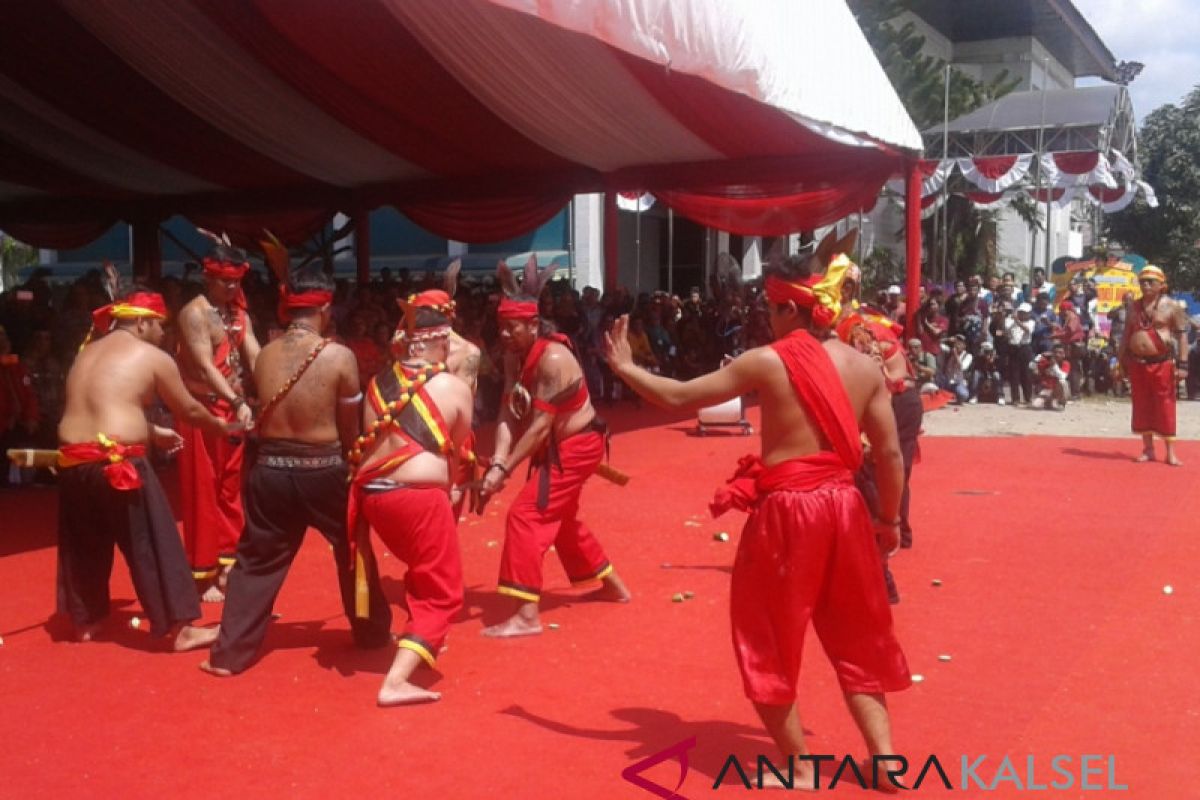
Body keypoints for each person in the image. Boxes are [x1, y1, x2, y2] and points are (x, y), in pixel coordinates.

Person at [605, 243, 910, 789]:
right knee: (859, 632)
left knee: (767, 635)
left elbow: (679, 397)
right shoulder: (865, 366)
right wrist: (888, 520)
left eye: (769, 309)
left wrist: (625, 366)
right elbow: (888, 454)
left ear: (789, 309)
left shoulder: (767, 361)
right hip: (846, 507)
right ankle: (885, 759)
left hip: (789, 512)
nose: (765, 320)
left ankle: (798, 766)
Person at [200, 266, 392, 677]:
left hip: (269, 470)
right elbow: (349, 425)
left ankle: (229, 654)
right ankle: (372, 632)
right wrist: (353, 461)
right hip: (322, 469)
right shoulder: (338, 355)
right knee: (353, 549)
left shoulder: (266, 354)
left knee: (256, 560)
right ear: (324, 308)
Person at [56, 290, 232, 649]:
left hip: (74, 461)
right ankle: (179, 627)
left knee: (84, 544)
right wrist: (226, 429)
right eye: (159, 326)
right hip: (119, 462)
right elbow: (191, 411)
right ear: (140, 323)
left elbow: (94, 408)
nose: (164, 334)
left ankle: (85, 621)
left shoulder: (86, 352)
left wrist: (150, 431)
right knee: (153, 542)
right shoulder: (152, 357)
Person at [479, 262, 631, 638]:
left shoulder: (554, 359)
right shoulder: (516, 356)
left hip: (577, 446)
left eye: (510, 328)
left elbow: (539, 426)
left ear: (532, 325)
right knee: (560, 520)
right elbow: (507, 413)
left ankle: (526, 615)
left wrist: (504, 472)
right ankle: (614, 587)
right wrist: (498, 460)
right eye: (501, 327)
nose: (504, 334)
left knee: (526, 515)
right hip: (559, 446)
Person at [347, 290, 474, 705]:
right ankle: (397, 680)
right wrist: (452, 489)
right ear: (438, 342)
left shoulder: (376, 386)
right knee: (443, 589)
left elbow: (368, 443)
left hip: (374, 500)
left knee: (423, 571)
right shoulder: (453, 387)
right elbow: (456, 451)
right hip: (417, 500)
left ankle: (422, 636)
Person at [176, 238, 261, 600]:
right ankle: (203, 573)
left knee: (229, 488)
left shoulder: (239, 315)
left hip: (233, 409)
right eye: (225, 282)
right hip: (202, 410)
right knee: (203, 490)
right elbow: (205, 366)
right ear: (208, 278)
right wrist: (237, 399)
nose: (231, 288)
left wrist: (276, 390)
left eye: (236, 282)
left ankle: (228, 567)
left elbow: (254, 356)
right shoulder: (194, 313)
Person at [1120, 266, 1189, 465]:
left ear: (1161, 285)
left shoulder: (1172, 306)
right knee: (1141, 404)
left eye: (1151, 281)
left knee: (1165, 405)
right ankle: (1148, 449)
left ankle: (1170, 452)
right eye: (1143, 281)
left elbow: (1182, 334)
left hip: (1162, 363)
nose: (1146, 285)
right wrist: (1120, 359)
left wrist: (1183, 364)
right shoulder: (1133, 306)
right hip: (1138, 363)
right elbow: (1126, 334)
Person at [1005, 303, 1035, 405]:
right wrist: (1013, 319)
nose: (1022, 314)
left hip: (1025, 348)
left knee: (1026, 374)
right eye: (1021, 312)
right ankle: (1015, 398)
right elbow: (1005, 330)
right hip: (1013, 348)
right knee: (1014, 375)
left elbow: (1027, 330)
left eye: (1025, 313)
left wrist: (1017, 321)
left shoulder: (1031, 322)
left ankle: (1028, 397)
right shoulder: (1009, 321)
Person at [1031, 344, 1070, 411]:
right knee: (1035, 405)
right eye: (1055, 352)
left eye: (1060, 353)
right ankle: (1048, 402)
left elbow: (1062, 376)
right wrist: (1040, 355)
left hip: (1056, 390)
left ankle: (1061, 403)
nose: (1057, 355)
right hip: (1046, 389)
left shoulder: (1065, 363)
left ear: (1064, 354)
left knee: (1063, 382)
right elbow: (1031, 366)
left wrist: (1054, 365)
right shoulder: (1045, 362)